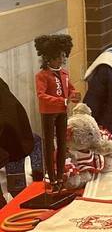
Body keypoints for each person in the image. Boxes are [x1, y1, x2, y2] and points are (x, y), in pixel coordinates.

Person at [34, 35, 78, 189]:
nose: (61, 59)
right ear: (48, 59)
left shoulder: (64, 74)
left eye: (62, 56)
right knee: (49, 145)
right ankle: (51, 177)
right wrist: (62, 101)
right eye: (57, 57)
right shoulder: (42, 76)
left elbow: (70, 88)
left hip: (62, 112)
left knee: (62, 142)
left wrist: (74, 94)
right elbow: (41, 95)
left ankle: (60, 175)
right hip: (48, 113)